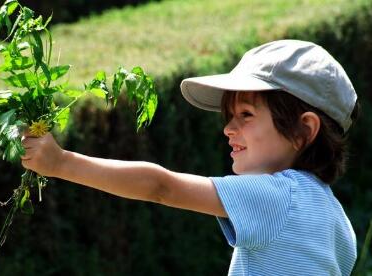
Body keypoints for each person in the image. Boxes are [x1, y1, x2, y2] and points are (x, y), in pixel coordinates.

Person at [21, 39, 358, 275]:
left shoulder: (278, 197)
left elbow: (160, 186)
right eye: (228, 116)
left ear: (304, 130)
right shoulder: (338, 224)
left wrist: (60, 162)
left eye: (245, 115)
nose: (228, 129)